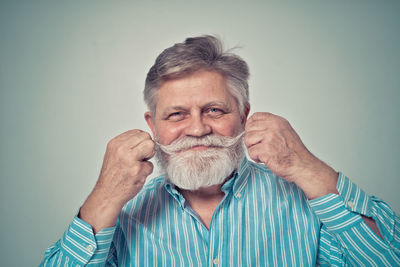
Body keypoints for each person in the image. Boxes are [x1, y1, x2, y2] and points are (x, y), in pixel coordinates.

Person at [40, 35, 400, 266]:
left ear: (244, 115)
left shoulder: (307, 202)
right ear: (153, 127)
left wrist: (307, 168)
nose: (197, 129)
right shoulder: (121, 216)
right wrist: (103, 198)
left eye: (214, 110)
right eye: (177, 114)